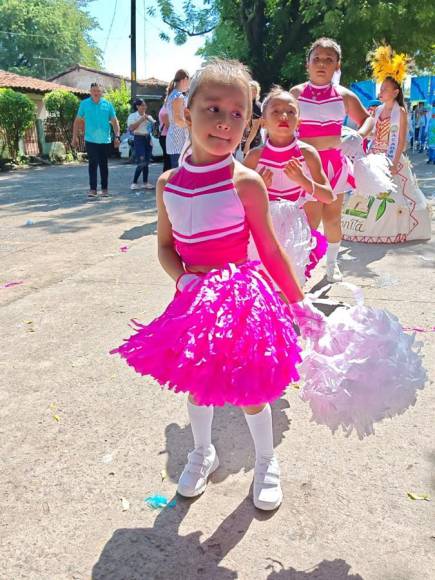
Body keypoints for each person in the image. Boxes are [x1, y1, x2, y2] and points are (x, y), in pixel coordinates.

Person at [111, 59, 323, 511]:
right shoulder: (168, 183)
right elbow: (166, 246)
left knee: (251, 391)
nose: (224, 123)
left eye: (237, 114)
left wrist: (299, 303)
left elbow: (268, 248)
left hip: (242, 303)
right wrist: (184, 280)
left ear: (248, 123)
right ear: (186, 112)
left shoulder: (245, 183)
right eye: (213, 109)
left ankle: (266, 460)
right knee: (197, 385)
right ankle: (202, 451)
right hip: (191, 302)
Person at [290, 38, 374, 282]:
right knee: (309, 219)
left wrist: (357, 136)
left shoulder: (344, 95)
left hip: (335, 166)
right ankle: (303, 265)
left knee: (333, 217)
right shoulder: (296, 94)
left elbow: (367, 119)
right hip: (306, 165)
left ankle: (332, 264)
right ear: (307, 63)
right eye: (316, 59)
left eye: (329, 60)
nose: (322, 64)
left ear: (337, 65)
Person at [244, 87, 333, 285]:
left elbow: (328, 196)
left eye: (291, 111)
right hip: (263, 228)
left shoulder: (307, 154)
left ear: (299, 120)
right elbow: (235, 198)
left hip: (295, 230)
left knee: (289, 282)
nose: (284, 115)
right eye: (275, 111)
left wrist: (304, 181)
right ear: (264, 121)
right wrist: (258, 188)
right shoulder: (255, 157)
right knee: (262, 281)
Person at [342, 45, 431, 243]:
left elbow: (399, 140)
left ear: (395, 92)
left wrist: (394, 161)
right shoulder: (378, 110)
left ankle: (392, 230)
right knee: (368, 191)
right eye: (380, 88)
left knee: (394, 195)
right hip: (375, 155)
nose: (381, 92)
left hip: (392, 158)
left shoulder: (401, 112)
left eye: (384, 89)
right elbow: (372, 132)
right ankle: (361, 226)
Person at [72, 82, 120, 199]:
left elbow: (114, 121)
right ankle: (93, 189)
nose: (96, 93)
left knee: (104, 165)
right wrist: (75, 137)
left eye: (98, 91)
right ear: (90, 92)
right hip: (90, 139)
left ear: (101, 92)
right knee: (92, 164)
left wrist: (117, 136)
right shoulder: (84, 104)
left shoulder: (107, 105)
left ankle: (104, 189)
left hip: (105, 140)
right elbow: (77, 121)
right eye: (94, 91)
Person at [127, 98, 154, 190]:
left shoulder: (148, 116)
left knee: (146, 162)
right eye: (142, 105)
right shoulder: (132, 116)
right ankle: (134, 183)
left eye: (145, 105)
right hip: (138, 139)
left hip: (147, 139)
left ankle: (145, 182)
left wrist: (152, 123)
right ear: (137, 106)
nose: (144, 107)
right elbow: (131, 129)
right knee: (141, 162)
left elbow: (153, 127)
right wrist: (141, 120)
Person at [166, 69, 190, 168]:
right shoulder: (178, 96)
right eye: (189, 81)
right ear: (184, 79)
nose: (189, 85)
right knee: (180, 172)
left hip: (174, 139)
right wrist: (192, 125)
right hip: (178, 141)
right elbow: (178, 120)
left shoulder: (172, 95)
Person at [242, 80, 263, 155]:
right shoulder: (243, 104)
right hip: (241, 139)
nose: (252, 93)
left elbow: (255, 128)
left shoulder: (256, 107)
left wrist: (247, 144)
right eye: (250, 91)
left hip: (252, 141)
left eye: (254, 91)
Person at [158, 101, 171, 172]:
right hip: (165, 137)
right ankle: (166, 176)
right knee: (167, 158)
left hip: (165, 136)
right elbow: (169, 126)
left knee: (167, 158)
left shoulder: (165, 110)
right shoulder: (165, 112)